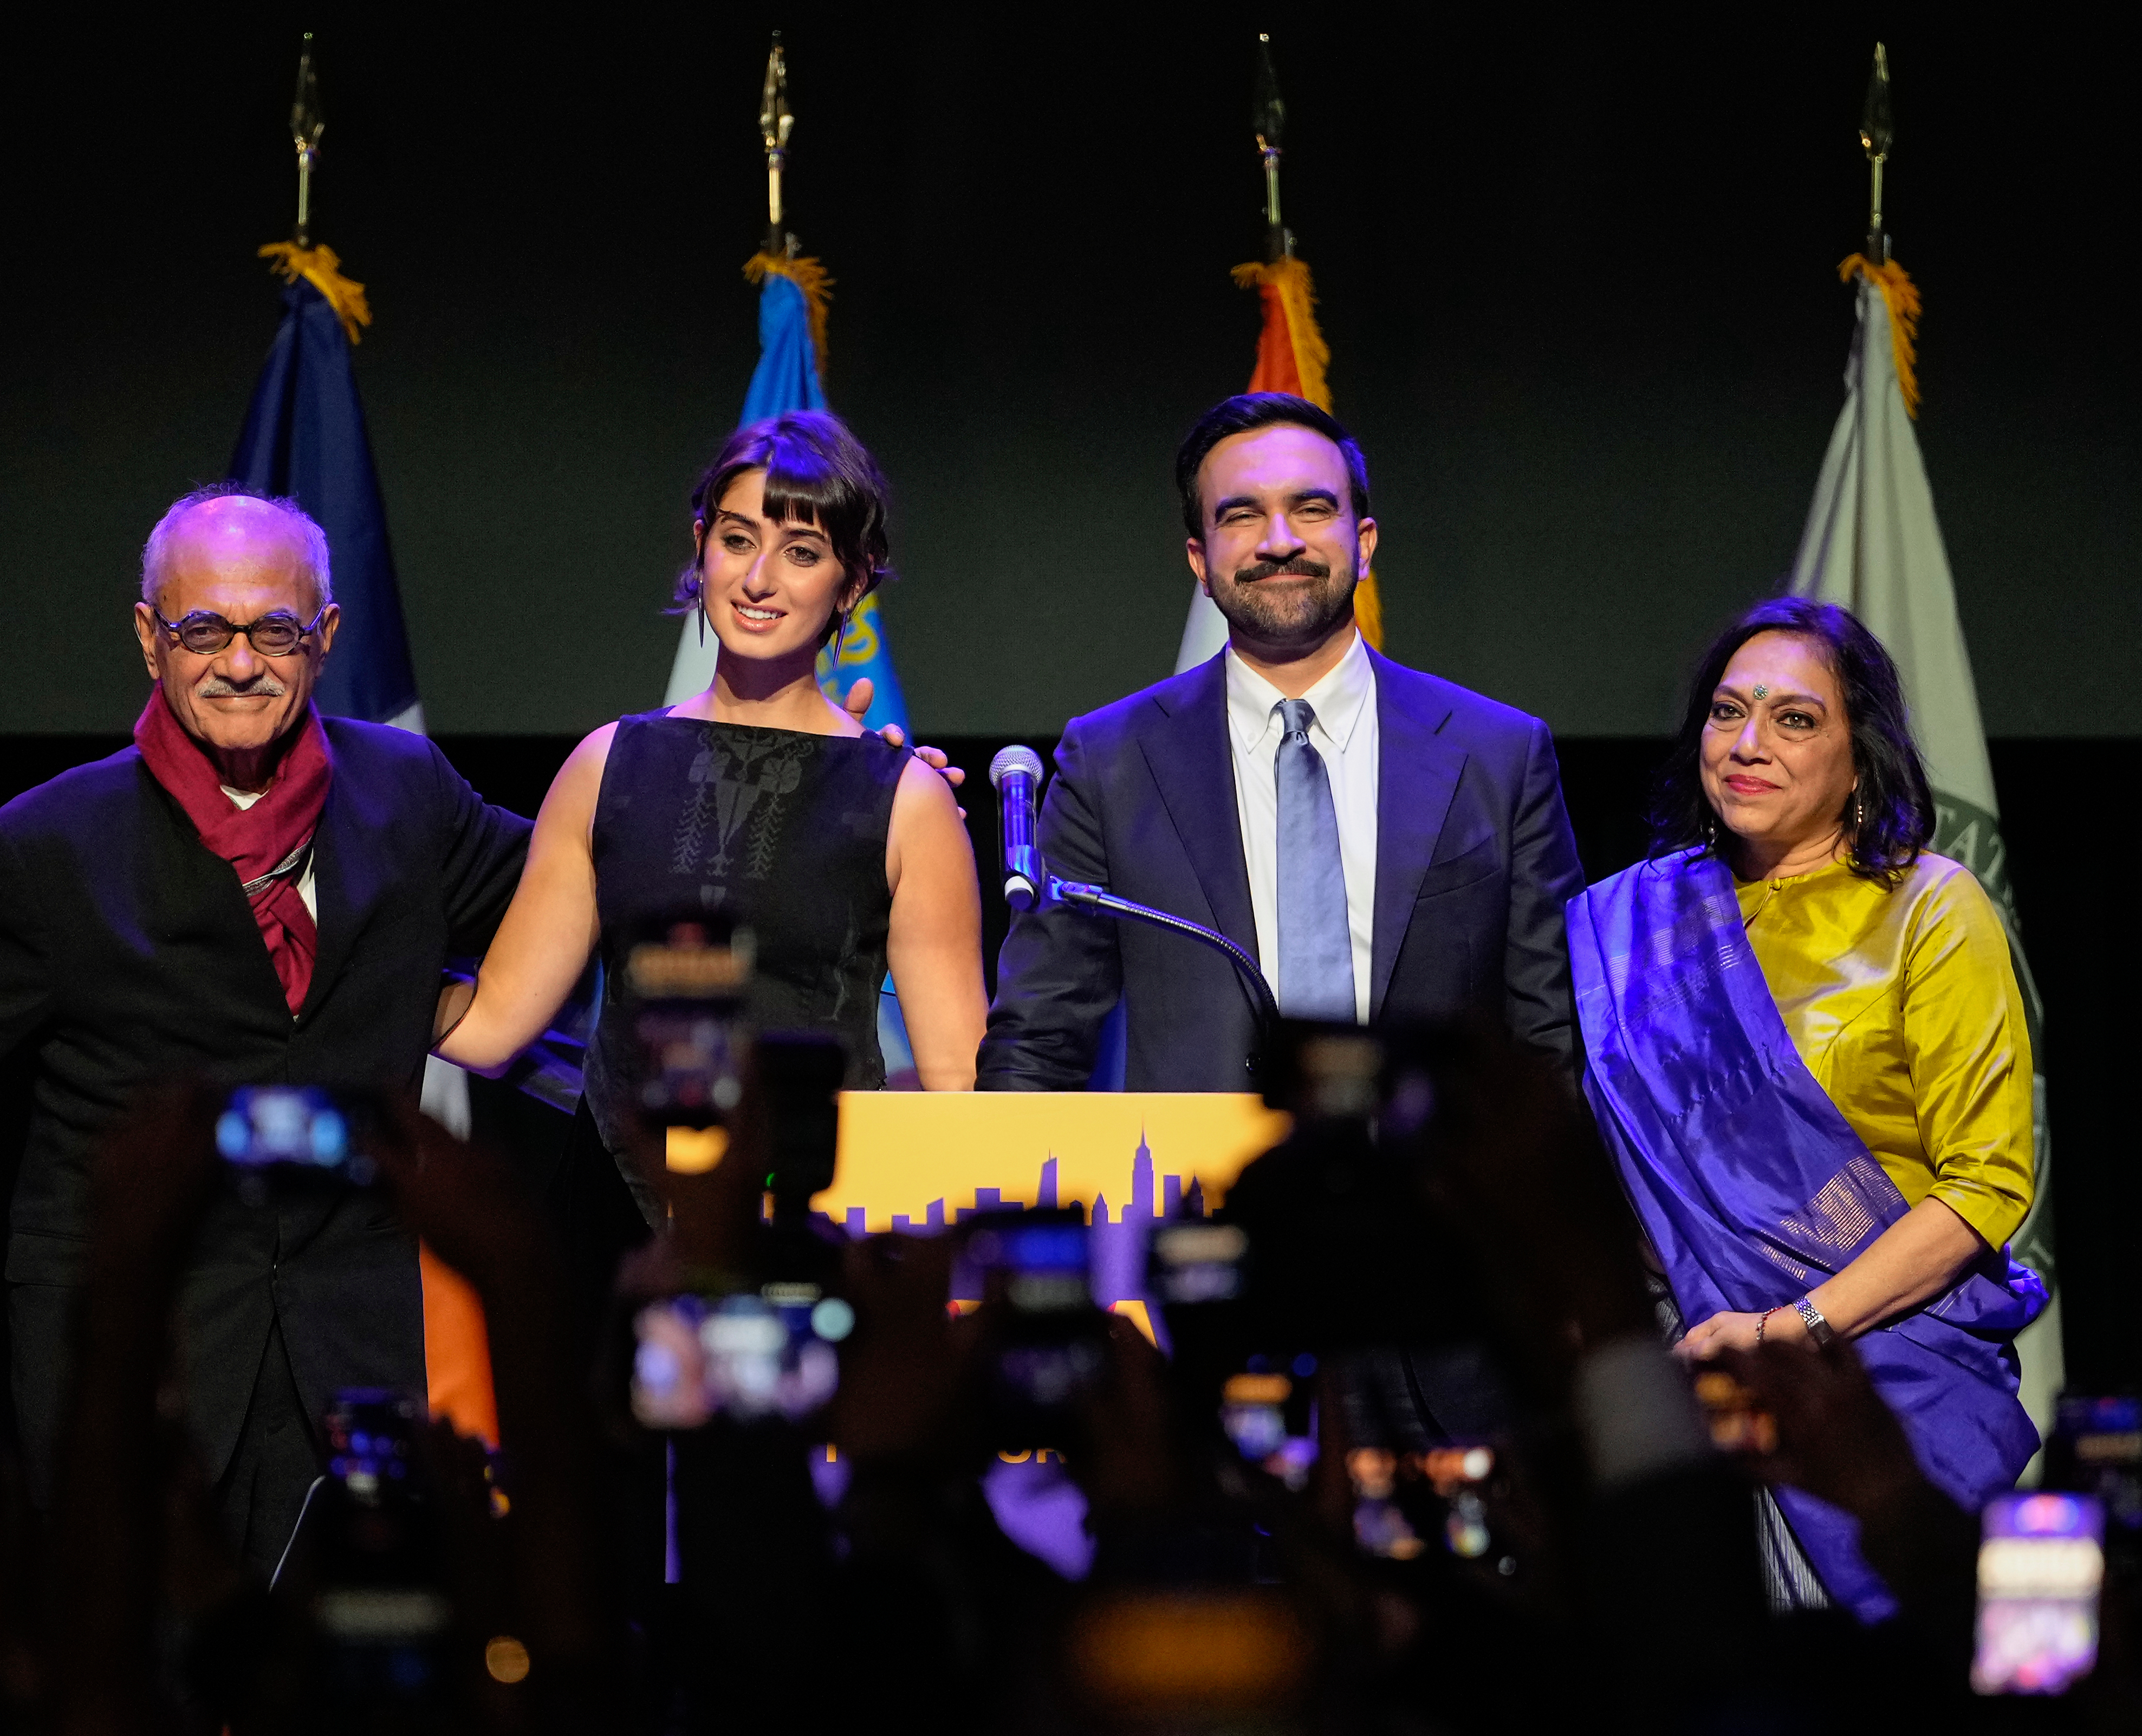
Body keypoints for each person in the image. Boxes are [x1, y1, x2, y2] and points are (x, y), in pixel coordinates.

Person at [0, 487, 538, 1572]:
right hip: (132, 1367)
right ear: (151, 637)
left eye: (275, 630)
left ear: (324, 638)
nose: (240, 663)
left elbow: (575, 884)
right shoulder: (49, 848)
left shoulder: (407, 797)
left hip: (352, 1362)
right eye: (205, 629)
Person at [1567, 596, 2047, 1619]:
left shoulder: (1930, 907)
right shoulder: (1633, 924)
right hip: (1682, 1384)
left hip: (1879, 1389)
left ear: (1856, 753)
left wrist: (1790, 1331)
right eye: (1727, 711)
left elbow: (1984, 1188)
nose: (1748, 744)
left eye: (1793, 720)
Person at [435, 411, 984, 1241]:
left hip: (814, 1214)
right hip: (611, 1217)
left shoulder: (906, 799)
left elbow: (956, 1084)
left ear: (853, 580)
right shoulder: (605, 764)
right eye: (737, 539)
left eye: (801, 553)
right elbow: (493, 1023)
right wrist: (337, 984)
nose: (759, 578)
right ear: (700, 544)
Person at [978, 391, 1585, 1089]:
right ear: (1200, 562)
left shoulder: (1501, 755)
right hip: (1202, 1190)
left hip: (1436, 1191)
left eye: (1312, 508)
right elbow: (1039, 1039)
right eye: (1241, 515)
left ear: (1364, 542)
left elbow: (1551, 1042)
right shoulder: (1111, 761)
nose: (1279, 540)